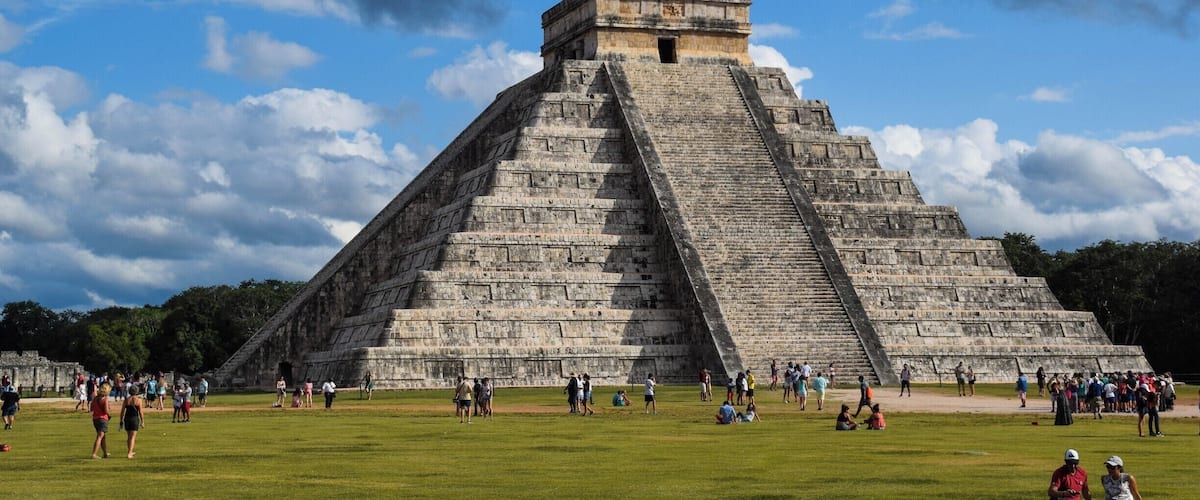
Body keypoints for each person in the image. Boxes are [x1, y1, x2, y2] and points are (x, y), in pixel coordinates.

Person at [118, 385, 143, 459]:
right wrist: (142, 421)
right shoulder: (138, 400)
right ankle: (129, 453)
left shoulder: (126, 400)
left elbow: (122, 411)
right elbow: (140, 412)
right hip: (134, 419)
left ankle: (130, 451)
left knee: (129, 437)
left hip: (127, 419)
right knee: (132, 437)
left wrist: (121, 420)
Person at [90, 384, 111, 459]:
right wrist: (109, 415)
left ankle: (105, 453)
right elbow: (106, 411)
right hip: (102, 419)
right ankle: (94, 454)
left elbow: (91, 408)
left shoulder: (95, 398)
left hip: (95, 419)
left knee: (102, 436)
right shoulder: (105, 399)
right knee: (100, 436)